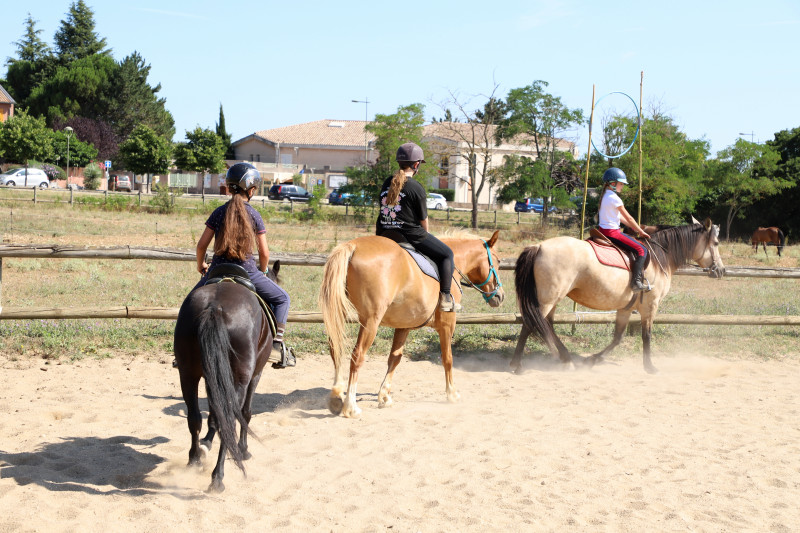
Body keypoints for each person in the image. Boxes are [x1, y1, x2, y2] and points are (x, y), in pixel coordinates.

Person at [191, 162, 294, 367]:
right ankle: (276, 345)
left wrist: (201, 264)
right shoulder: (254, 215)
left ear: (229, 187)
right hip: (247, 271)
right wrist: (263, 271)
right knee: (283, 298)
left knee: (190, 302)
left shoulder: (219, 212)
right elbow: (264, 253)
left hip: (216, 269)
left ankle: (185, 351)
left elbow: (201, 245)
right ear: (252, 189)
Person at [376, 142, 460, 312]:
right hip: (410, 235)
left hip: (384, 232)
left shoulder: (387, 183)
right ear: (416, 165)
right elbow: (423, 219)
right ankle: (445, 297)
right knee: (446, 254)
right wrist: (426, 236)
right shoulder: (416, 187)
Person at [596, 167, 651, 293]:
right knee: (642, 249)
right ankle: (636, 282)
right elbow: (629, 218)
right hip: (612, 233)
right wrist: (641, 232)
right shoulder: (615, 198)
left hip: (602, 231)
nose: (622, 186)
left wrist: (635, 228)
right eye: (621, 184)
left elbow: (619, 218)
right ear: (613, 184)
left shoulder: (605, 196)